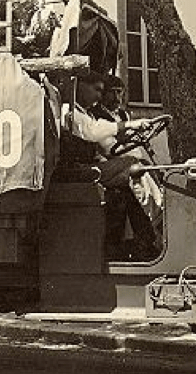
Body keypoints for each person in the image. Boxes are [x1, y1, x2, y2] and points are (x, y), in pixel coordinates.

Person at [60, 72, 159, 261]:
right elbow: (92, 131)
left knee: (137, 169)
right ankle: (157, 219)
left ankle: (144, 234)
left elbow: (107, 145)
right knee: (133, 167)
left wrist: (128, 137)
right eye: (96, 90)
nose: (99, 96)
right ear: (79, 85)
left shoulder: (86, 113)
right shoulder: (71, 112)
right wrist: (128, 125)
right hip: (79, 170)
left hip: (92, 166)